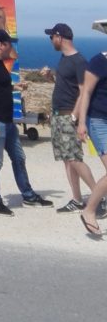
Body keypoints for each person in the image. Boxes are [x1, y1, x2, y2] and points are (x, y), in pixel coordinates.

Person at [0, 28, 53, 215]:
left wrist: (15, 86)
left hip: (8, 121)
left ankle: (28, 195)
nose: (11, 47)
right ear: (0, 44)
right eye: (9, 43)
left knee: (19, 158)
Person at [44, 23, 98, 213]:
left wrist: (75, 116)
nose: (51, 40)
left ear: (60, 37)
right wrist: (50, 77)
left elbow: (84, 92)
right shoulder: (64, 59)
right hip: (58, 115)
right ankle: (77, 199)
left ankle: (99, 195)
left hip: (69, 116)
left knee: (75, 159)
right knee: (67, 159)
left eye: (52, 37)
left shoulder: (79, 61)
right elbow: (66, 86)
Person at [77, 42, 107, 237]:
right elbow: (86, 93)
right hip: (98, 121)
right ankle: (89, 210)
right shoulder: (99, 61)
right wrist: (81, 123)